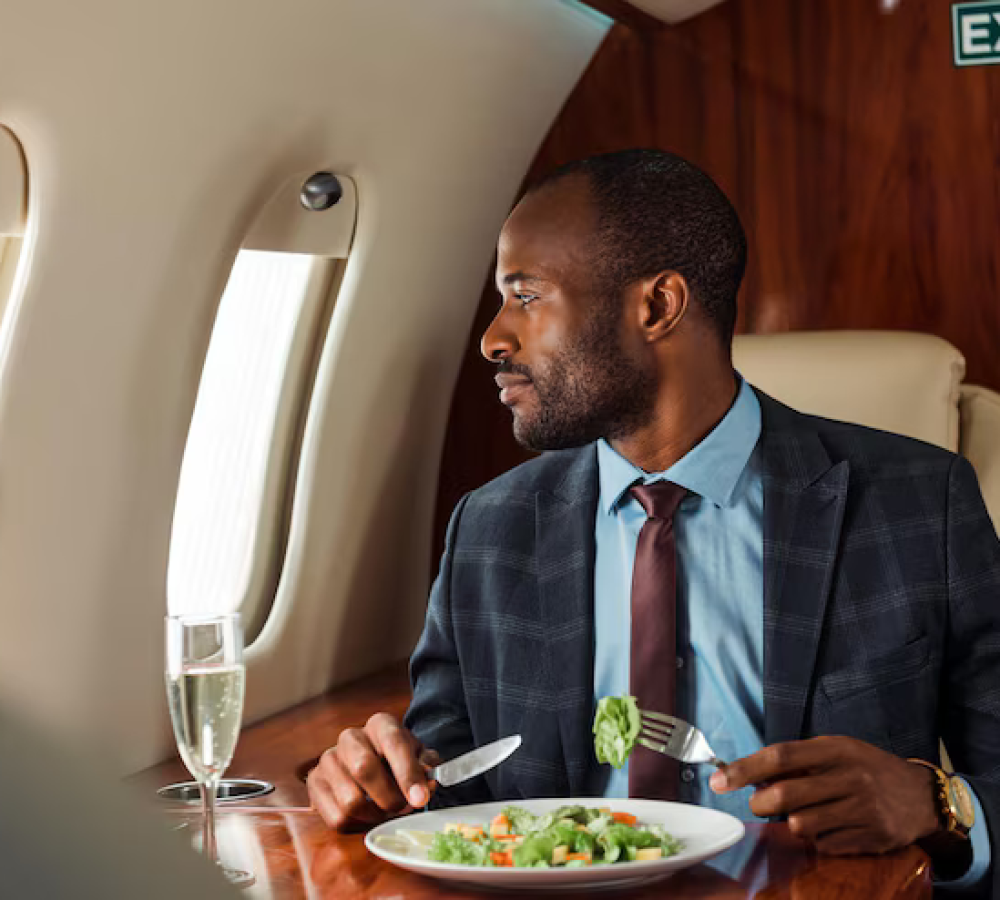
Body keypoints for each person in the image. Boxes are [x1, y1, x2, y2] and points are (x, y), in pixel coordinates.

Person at [306, 149, 1000, 893]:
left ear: (658, 306)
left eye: (526, 296)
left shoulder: (919, 503)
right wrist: (380, 780)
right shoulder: (490, 529)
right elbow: (446, 781)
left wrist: (939, 803)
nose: (493, 338)